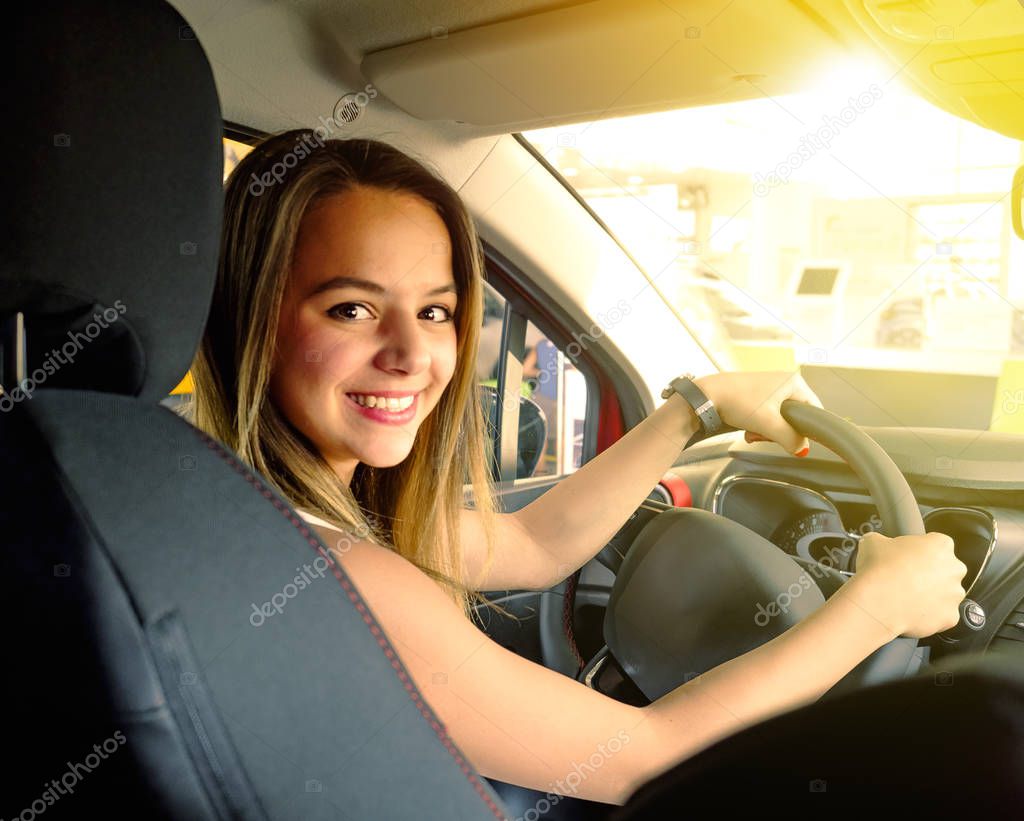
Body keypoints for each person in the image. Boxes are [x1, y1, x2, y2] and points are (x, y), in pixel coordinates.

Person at [181, 130, 968, 806]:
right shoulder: (337, 574)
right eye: (350, 308)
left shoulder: (235, 503)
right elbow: (648, 756)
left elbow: (534, 543)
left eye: (436, 310)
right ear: (252, 317)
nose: (413, 355)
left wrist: (696, 406)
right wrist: (877, 605)